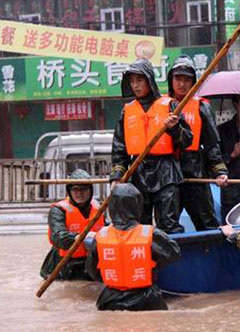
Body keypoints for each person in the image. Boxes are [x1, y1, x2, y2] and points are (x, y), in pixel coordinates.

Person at [109, 58, 193, 233]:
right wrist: (117, 175)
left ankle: (173, 260)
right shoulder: (127, 110)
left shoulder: (170, 105)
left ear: (149, 80)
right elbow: (119, 147)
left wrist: (174, 128)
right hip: (138, 172)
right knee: (140, 225)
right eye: (132, 81)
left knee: (169, 224)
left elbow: (187, 140)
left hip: (166, 172)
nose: (135, 85)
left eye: (139, 80)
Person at [85, 183, 181, 311]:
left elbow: (91, 269)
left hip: (111, 299)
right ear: (137, 205)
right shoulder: (151, 234)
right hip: (146, 299)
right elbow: (174, 254)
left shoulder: (100, 236)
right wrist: (151, 265)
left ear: (111, 207)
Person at [167, 55, 229, 230]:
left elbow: (211, 144)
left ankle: (212, 255)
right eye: (178, 78)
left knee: (207, 222)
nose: (182, 84)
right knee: (167, 225)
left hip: (195, 172)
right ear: (171, 80)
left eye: (187, 79)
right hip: (168, 174)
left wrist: (220, 171)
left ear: (193, 81)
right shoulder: (161, 105)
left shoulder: (202, 106)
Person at [40, 169, 104, 280]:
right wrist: (79, 237)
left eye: (84, 189)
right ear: (69, 191)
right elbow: (57, 237)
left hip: (90, 263)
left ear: (90, 191)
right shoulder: (58, 210)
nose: (80, 193)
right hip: (64, 265)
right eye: (75, 189)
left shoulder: (99, 208)